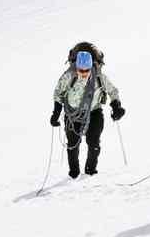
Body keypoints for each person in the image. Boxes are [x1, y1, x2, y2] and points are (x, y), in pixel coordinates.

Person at [49, 41, 124, 178]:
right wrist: (56, 113)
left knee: (94, 143)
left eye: (86, 70)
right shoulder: (68, 76)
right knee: (72, 145)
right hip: (72, 114)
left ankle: (90, 172)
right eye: (80, 70)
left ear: (91, 67)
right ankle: (74, 173)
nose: (83, 73)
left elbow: (112, 91)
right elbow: (58, 93)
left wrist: (116, 106)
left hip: (94, 111)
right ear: (76, 67)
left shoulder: (99, 77)